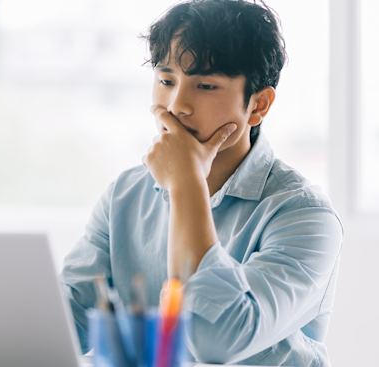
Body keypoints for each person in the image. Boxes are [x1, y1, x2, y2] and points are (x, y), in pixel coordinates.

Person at [60, 0, 343, 365]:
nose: (177, 105)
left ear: (258, 105)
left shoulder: (305, 216)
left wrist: (186, 185)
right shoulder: (124, 196)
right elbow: (66, 320)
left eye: (205, 85)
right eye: (166, 81)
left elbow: (213, 339)